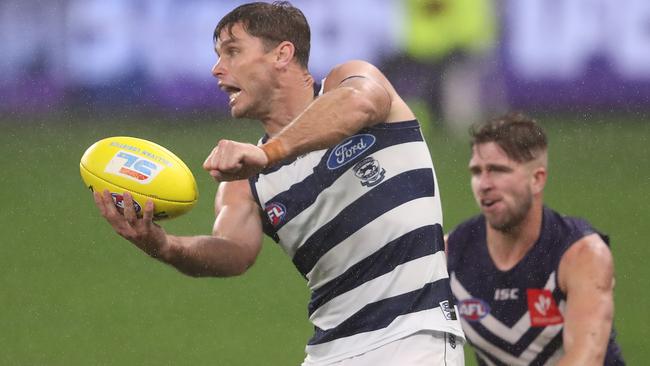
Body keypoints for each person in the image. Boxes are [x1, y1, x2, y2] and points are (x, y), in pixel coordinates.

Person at [93, 2, 465, 365]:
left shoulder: (349, 81)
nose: (216, 68)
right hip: (329, 350)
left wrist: (272, 153)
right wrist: (162, 244)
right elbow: (233, 253)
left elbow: (361, 102)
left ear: (282, 54)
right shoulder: (246, 183)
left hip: (413, 339)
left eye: (232, 51)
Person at [445, 112, 625, 365]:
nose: (484, 184)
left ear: (537, 179)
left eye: (498, 170)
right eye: (477, 171)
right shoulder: (450, 252)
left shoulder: (581, 254)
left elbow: (586, 359)